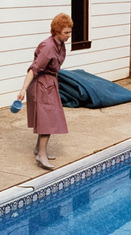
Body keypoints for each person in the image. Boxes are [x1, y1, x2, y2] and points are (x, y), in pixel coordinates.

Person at [17, 13, 73, 170]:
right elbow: (33, 69)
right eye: (66, 32)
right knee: (47, 120)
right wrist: (23, 89)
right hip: (41, 85)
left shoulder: (60, 44)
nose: (69, 35)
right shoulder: (48, 48)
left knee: (48, 117)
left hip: (50, 83)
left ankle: (38, 149)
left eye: (70, 32)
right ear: (56, 31)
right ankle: (41, 156)